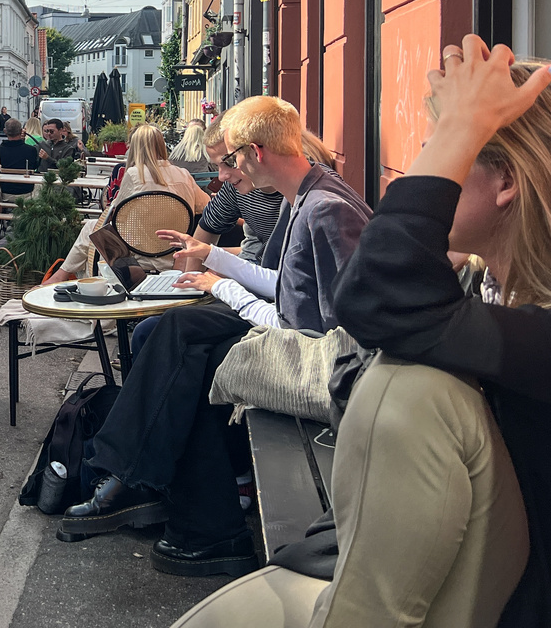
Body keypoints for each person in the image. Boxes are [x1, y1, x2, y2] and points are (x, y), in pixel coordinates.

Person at [183, 38, 551, 627]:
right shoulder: (488, 288)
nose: (426, 166)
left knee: (406, 391)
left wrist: (460, 131)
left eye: (441, 153)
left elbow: (370, 296)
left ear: (503, 180)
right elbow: (371, 318)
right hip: (457, 569)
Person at [60, 95, 372, 578]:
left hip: (311, 365)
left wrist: (220, 284)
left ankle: (140, 483)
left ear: (256, 152)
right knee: (169, 339)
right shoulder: (308, 195)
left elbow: (323, 337)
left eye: (229, 162)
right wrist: (212, 258)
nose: (224, 175)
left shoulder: (324, 208)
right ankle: (191, 518)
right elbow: (288, 289)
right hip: (291, 338)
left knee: (181, 343)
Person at [45, 124, 210, 283]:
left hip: (139, 254)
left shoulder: (134, 174)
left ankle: (63, 275)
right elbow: (205, 206)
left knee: (92, 228)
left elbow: (115, 214)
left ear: (134, 148)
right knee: (92, 227)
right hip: (174, 253)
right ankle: (62, 275)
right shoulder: (183, 174)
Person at [192, 115, 284, 264]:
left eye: (230, 162)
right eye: (217, 167)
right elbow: (208, 226)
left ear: (255, 151)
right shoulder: (237, 188)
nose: (221, 176)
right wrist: (191, 283)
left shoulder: (304, 191)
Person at [0, 119, 41, 197]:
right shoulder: (31, 150)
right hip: (26, 192)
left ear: (5, 131)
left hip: (4, 191)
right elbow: (35, 167)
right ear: (21, 131)